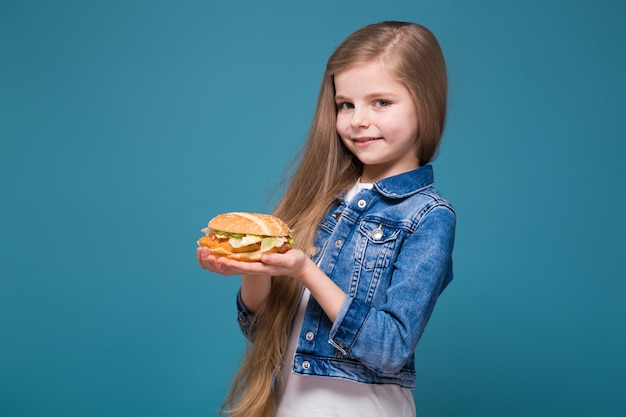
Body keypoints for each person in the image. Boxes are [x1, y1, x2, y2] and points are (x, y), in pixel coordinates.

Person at [197, 20, 456, 417]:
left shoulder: (429, 217)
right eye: (345, 104)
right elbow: (261, 332)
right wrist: (254, 266)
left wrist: (305, 270)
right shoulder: (322, 199)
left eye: (381, 102)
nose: (357, 120)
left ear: (425, 102)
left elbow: (388, 350)